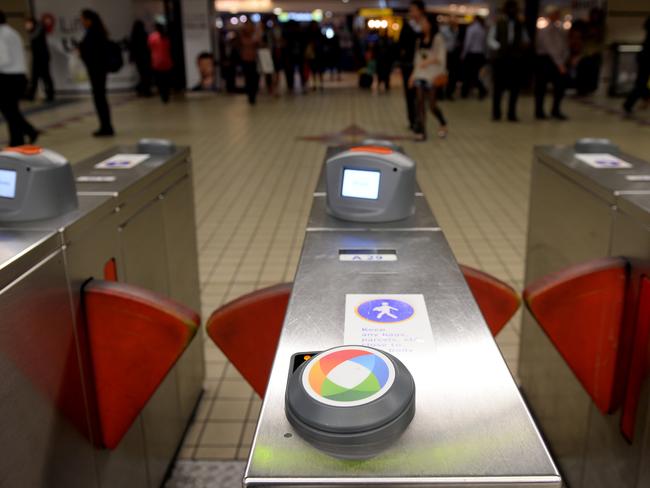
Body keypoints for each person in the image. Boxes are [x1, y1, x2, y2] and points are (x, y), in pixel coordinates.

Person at [0, 10, 39, 146]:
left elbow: (4, 60)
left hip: (8, 77)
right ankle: (18, 139)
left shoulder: (1, 34)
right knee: (12, 110)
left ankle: (28, 132)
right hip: (18, 76)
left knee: (9, 111)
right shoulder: (12, 32)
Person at [488, 0, 529, 121]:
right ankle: (496, 113)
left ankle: (511, 113)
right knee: (498, 88)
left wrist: (521, 47)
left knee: (515, 88)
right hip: (501, 60)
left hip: (515, 60)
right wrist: (499, 47)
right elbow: (490, 39)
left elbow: (526, 39)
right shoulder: (499, 23)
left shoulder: (520, 24)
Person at [409, 14, 448, 141]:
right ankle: (422, 131)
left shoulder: (438, 38)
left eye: (424, 22)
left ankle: (442, 122)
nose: (422, 25)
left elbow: (441, 58)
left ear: (430, 24)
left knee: (431, 104)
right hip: (421, 74)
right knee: (419, 102)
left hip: (433, 75)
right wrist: (413, 76)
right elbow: (417, 60)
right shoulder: (419, 40)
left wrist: (428, 62)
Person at [79, 9, 114, 136]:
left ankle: (106, 126)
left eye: (83, 19)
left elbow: (91, 53)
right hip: (99, 71)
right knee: (101, 98)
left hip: (96, 71)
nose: (82, 22)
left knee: (99, 98)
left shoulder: (93, 34)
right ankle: (105, 125)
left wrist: (81, 50)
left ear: (89, 20)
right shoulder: (98, 32)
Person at [535, 6, 569, 120]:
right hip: (547, 60)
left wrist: (564, 58)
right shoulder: (545, 30)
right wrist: (559, 63)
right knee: (541, 87)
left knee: (560, 87)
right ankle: (539, 111)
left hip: (558, 60)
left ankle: (555, 109)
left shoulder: (559, 29)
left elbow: (563, 45)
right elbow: (550, 47)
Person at [398, 0, 427, 131]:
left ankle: (420, 120)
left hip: (423, 65)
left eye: (414, 9)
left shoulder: (426, 25)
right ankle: (413, 119)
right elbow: (401, 45)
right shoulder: (407, 26)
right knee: (410, 94)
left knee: (420, 94)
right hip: (408, 65)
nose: (412, 12)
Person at [623, 17, 650, 115]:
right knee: (641, 83)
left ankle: (644, 98)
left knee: (642, 82)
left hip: (644, 57)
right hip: (646, 58)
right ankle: (630, 103)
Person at [25, 16, 54, 102]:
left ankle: (50, 95)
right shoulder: (33, 32)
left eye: (28, 23)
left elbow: (42, 26)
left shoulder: (39, 30)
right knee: (34, 76)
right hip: (36, 57)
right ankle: (31, 94)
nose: (26, 25)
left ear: (33, 23)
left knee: (46, 76)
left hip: (43, 56)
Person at [461, 16, 488, 99]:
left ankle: (480, 90)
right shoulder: (482, 30)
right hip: (480, 54)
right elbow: (484, 44)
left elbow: (467, 43)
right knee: (474, 74)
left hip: (471, 54)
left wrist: (463, 54)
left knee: (469, 74)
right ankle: (467, 92)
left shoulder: (471, 29)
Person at [148, 22, 173, 103]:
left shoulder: (152, 37)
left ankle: (163, 95)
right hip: (166, 61)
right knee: (166, 80)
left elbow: (149, 47)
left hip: (156, 61)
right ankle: (166, 94)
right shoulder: (166, 37)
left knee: (159, 80)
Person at [239, 22, 260, 104]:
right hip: (245, 60)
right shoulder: (242, 36)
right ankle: (250, 96)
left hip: (255, 60)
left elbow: (260, 44)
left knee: (255, 79)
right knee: (248, 78)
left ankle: (254, 94)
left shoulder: (255, 36)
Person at [129, 20, 151, 97]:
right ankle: (145, 90)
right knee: (146, 74)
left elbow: (132, 48)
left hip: (138, 58)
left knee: (142, 74)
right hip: (145, 57)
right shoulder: (144, 35)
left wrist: (131, 58)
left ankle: (142, 89)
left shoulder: (133, 35)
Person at [440, 18, 459, 99]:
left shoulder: (456, 30)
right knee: (442, 72)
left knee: (452, 74)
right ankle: (440, 93)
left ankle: (449, 92)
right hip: (444, 53)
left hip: (452, 54)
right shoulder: (443, 30)